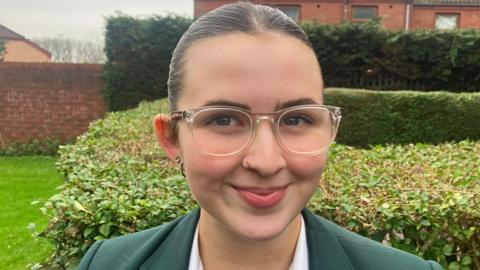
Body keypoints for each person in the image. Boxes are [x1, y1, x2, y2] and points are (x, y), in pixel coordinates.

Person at [78, 2, 443, 270]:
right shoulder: (106, 264)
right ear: (172, 138)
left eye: (297, 119)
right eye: (223, 120)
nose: (267, 162)